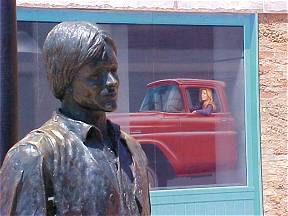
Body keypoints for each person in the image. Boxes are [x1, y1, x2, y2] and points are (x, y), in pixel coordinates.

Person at [0, 22, 150, 216]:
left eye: (113, 70)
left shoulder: (132, 150)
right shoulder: (33, 156)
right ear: (66, 79)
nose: (112, 82)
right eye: (96, 75)